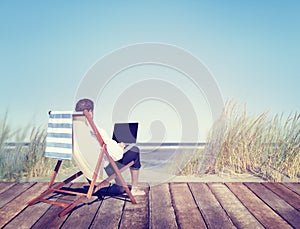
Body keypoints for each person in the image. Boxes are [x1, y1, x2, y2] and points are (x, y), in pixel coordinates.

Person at [75, 98, 144, 196]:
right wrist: (120, 147)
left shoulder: (77, 132)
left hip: (90, 165)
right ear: (90, 112)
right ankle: (134, 189)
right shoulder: (95, 130)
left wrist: (115, 145)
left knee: (113, 155)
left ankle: (120, 186)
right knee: (135, 151)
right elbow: (115, 155)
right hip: (103, 166)